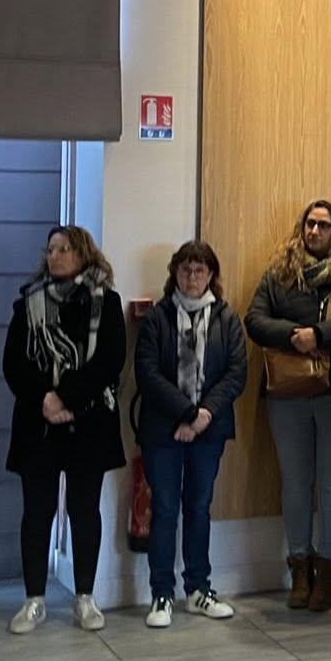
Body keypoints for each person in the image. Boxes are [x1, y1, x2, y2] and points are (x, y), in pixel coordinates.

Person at [246, 199, 331, 613]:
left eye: (323, 225)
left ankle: (327, 571)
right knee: (295, 481)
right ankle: (299, 570)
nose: (315, 232)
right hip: (288, 390)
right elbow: (254, 319)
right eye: (309, 224)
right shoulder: (280, 272)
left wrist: (320, 334)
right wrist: (295, 335)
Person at [5, 225, 128, 635]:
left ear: (85, 254)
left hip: (88, 419)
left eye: (66, 249)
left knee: (83, 509)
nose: (56, 256)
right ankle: (34, 600)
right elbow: (14, 365)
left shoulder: (105, 302)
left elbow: (110, 359)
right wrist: (46, 398)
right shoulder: (28, 303)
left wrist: (67, 398)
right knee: (36, 513)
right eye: (52, 249)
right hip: (38, 422)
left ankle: (85, 598)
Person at [133, 240, 248, 628]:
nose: (193, 276)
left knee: (198, 508)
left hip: (208, 429)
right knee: (165, 509)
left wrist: (203, 416)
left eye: (200, 270)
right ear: (175, 274)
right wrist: (185, 413)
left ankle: (198, 590)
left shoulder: (228, 319)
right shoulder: (157, 318)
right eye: (185, 269)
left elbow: (236, 373)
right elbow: (147, 374)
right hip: (162, 429)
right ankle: (161, 594)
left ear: (211, 274)